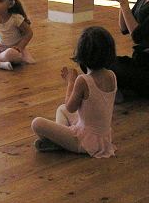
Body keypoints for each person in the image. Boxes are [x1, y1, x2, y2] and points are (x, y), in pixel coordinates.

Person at [31, 26, 117, 158]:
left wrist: (71, 82)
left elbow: (70, 107)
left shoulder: (83, 80)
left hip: (84, 142)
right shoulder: (111, 75)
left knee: (37, 123)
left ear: (81, 55)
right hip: (102, 138)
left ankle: (60, 143)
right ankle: (60, 141)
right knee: (60, 110)